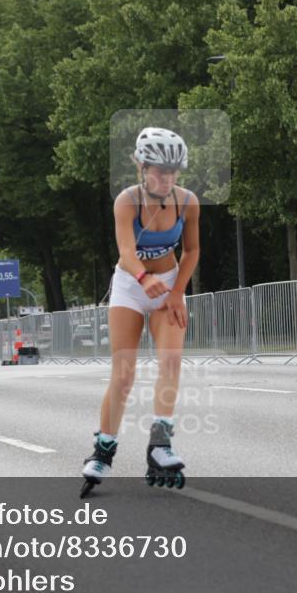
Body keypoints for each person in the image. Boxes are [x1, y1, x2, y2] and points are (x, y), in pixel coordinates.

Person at [80, 127, 200, 498]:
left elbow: (192, 252)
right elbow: (127, 252)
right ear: (140, 165)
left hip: (167, 283)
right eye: (159, 171)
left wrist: (178, 292)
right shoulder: (126, 201)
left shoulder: (187, 202)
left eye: (173, 172)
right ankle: (103, 450)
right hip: (132, 285)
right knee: (124, 373)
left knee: (171, 361)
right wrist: (143, 277)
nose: (166, 179)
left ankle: (160, 445)